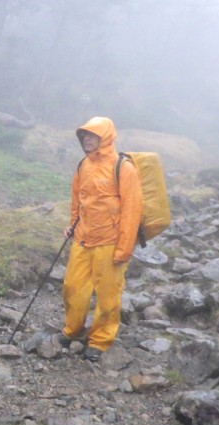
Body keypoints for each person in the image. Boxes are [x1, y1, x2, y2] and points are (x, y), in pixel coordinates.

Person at [59, 117, 142, 362]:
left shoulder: (123, 167)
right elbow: (79, 199)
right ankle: (72, 330)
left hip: (110, 242)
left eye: (92, 135)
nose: (86, 139)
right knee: (72, 288)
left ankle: (100, 340)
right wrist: (72, 225)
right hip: (83, 240)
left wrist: (124, 248)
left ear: (105, 137)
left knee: (107, 296)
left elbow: (132, 210)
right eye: (84, 135)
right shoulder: (82, 165)